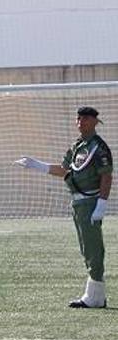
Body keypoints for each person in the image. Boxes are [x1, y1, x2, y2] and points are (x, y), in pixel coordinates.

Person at [16, 106, 112, 308]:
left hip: (90, 202)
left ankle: (95, 296)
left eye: (85, 118)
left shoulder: (99, 147)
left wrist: (101, 204)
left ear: (95, 121)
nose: (80, 122)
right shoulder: (77, 145)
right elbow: (64, 170)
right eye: (78, 119)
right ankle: (95, 295)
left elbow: (106, 175)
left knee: (93, 249)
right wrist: (36, 165)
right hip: (77, 202)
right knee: (86, 248)